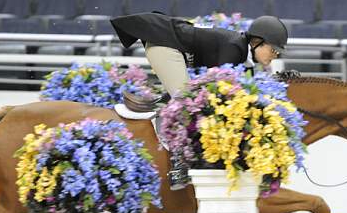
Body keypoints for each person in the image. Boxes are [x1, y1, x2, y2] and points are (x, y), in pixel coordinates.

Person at [110, 12, 289, 189]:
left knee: (191, 98)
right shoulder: (234, 48)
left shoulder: (243, 55)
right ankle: (178, 163)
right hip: (164, 46)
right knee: (185, 104)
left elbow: (246, 92)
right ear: (257, 41)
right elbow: (220, 91)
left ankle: (165, 104)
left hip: (172, 48)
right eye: (273, 50)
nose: (275, 55)